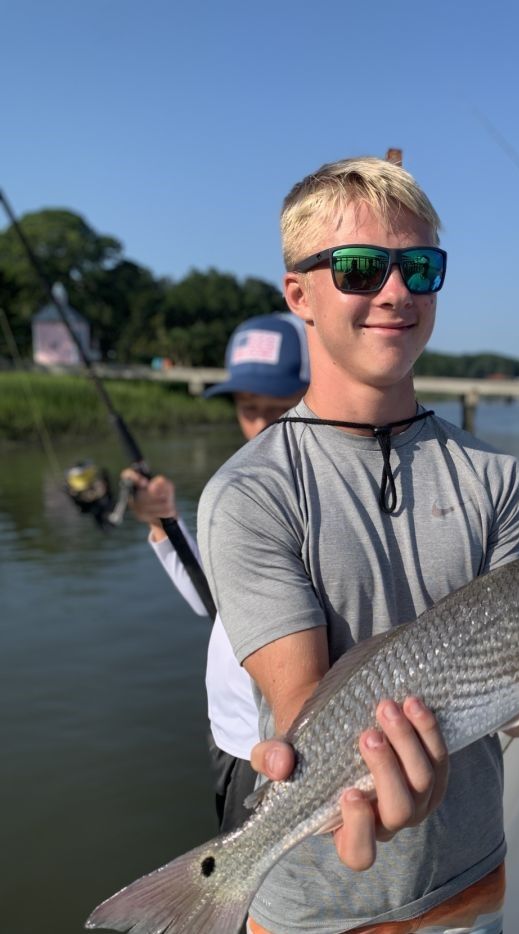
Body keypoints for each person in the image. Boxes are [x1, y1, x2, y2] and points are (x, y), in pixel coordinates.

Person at [197, 156, 519, 934]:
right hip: (310, 909)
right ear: (300, 294)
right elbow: (305, 713)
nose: (397, 293)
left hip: (470, 879)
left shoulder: (497, 476)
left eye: (420, 268)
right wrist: (364, 788)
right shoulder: (249, 494)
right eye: (360, 269)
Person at [124, 312, 309, 833]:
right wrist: (165, 523)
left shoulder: (334, 492)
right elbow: (217, 603)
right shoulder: (236, 491)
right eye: (250, 411)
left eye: (282, 410)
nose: (262, 428)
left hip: (313, 743)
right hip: (234, 741)